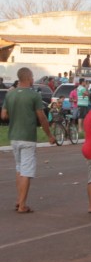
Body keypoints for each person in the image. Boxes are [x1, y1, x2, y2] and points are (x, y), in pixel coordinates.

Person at [1, 67, 56, 213]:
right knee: (27, 170)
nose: (33, 80)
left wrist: (16, 114)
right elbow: (42, 117)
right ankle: (22, 205)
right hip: (27, 137)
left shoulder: (10, 95)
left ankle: (19, 199)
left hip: (13, 136)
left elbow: (3, 115)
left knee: (19, 168)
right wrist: (49, 135)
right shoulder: (34, 96)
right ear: (28, 78)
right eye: (32, 77)